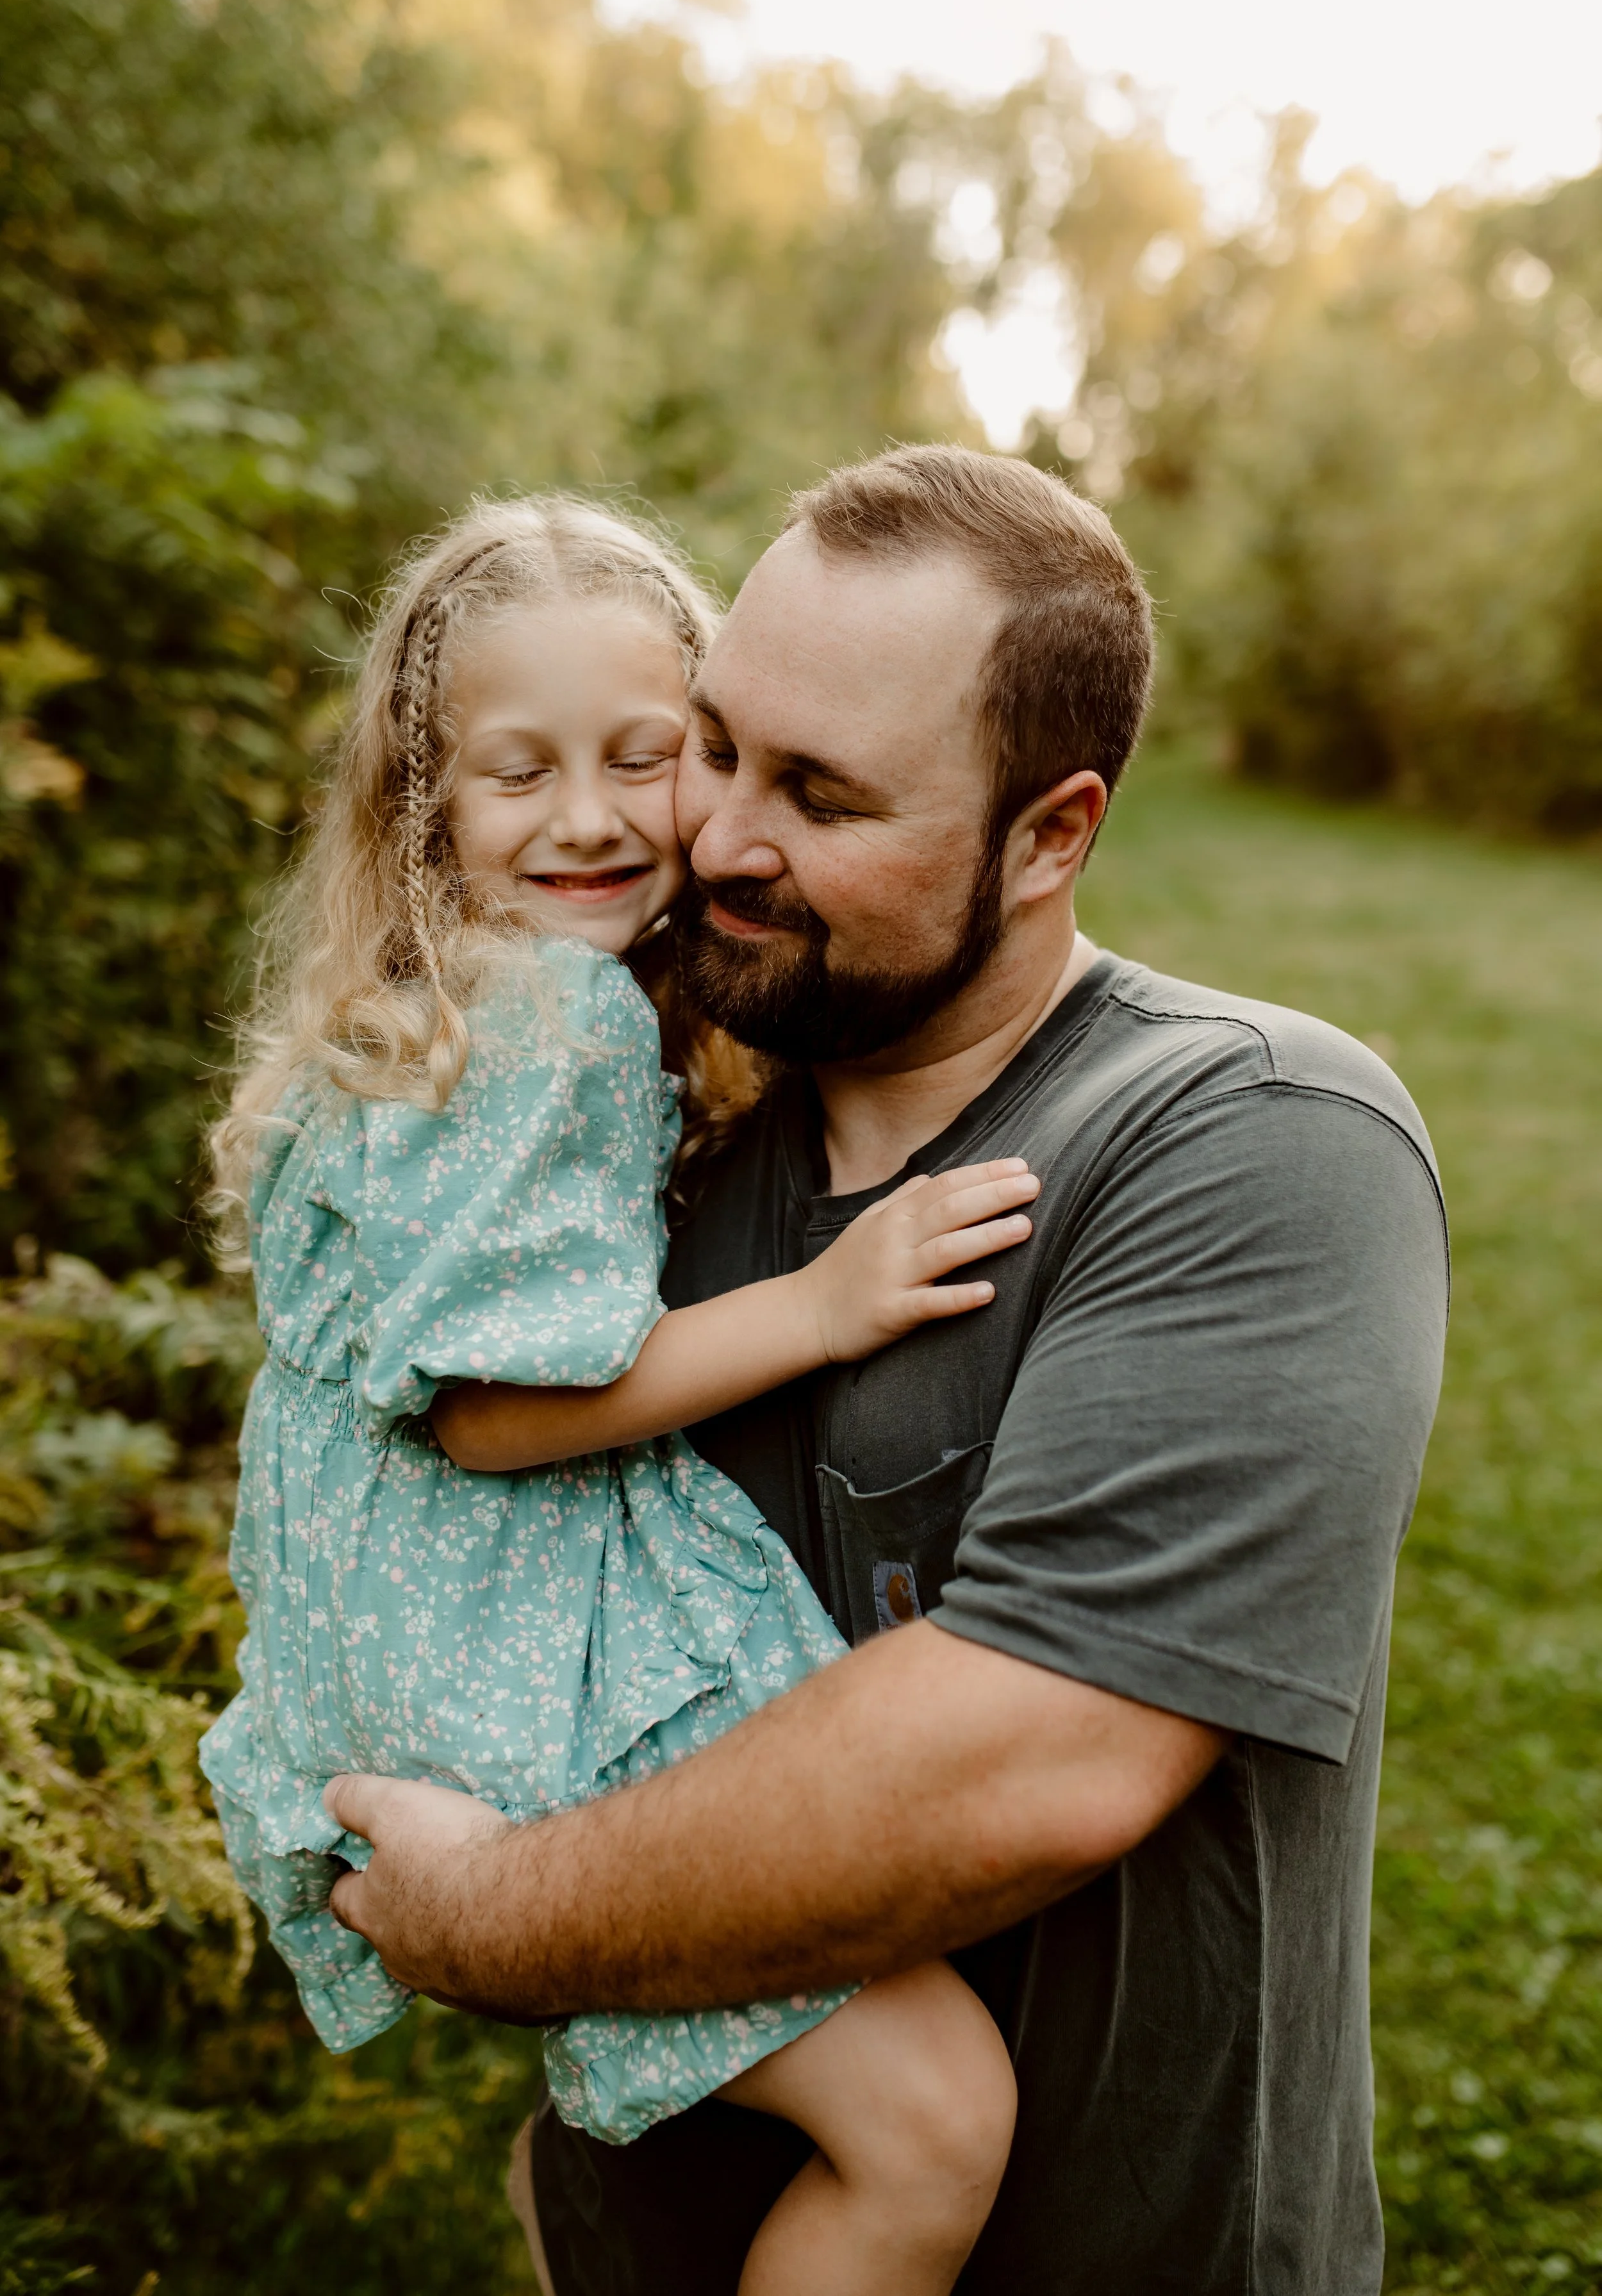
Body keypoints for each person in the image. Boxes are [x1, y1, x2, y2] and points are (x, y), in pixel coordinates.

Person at [324, 447, 1451, 2296]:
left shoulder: (1249, 1142)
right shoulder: (645, 1168)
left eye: (823, 795)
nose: (721, 839)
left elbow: (1028, 1760)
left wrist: (497, 1918)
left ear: (1049, 834)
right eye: (721, 749)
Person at [199, 492, 1043, 2296]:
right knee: (934, 2120)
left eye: (642, 756)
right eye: (519, 774)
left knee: (703, 2114)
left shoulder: (410, 1011)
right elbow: (490, 1410)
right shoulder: (553, 1027)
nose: (587, 818)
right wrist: (826, 1303)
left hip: (392, 1645)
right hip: (512, 1651)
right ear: (426, 803)